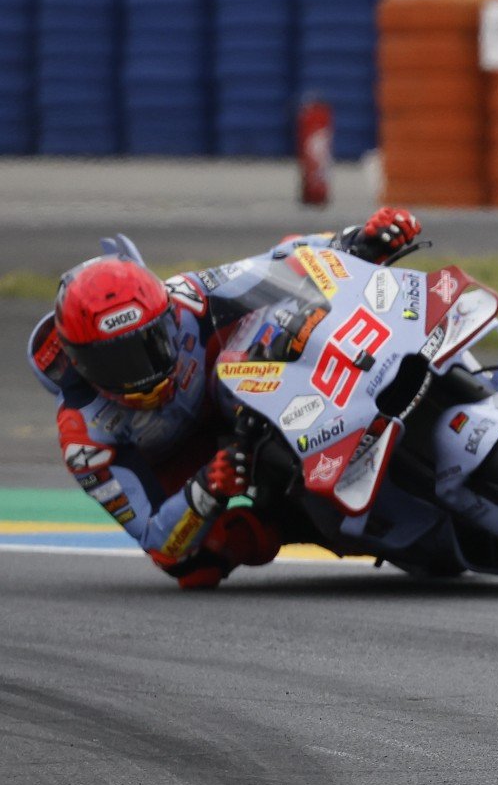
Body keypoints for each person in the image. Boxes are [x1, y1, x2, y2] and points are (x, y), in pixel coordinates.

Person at [27, 209, 423, 589]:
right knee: (192, 566)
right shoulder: (85, 435)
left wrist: (360, 241)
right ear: (81, 364)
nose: (140, 373)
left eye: (151, 344)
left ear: (165, 316)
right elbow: (154, 537)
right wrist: (206, 488)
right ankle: (304, 524)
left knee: (293, 310)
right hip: (184, 467)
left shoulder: (189, 300)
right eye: (115, 362)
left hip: (235, 394)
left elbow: (284, 261)